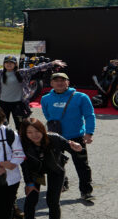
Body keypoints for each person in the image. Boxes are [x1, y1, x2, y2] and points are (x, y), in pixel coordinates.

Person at [39, 72, 96, 205]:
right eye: (56, 80)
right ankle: (62, 183)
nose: (59, 83)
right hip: (56, 137)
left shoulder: (81, 97)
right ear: (51, 83)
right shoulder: (46, 98)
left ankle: (86, 191)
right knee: (57, 164)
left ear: (68, 82)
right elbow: (47, 115)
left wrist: (89, 133)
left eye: (62, 80)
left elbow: (89, 115)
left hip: (76, 137)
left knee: (82, 165)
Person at [0, 56, 65, 131]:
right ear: (4, 64)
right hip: (3, 103)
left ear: (15, 64)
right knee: (2, 125)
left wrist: (52, 63)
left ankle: (21, 143)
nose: (9, 64)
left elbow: (37, 68)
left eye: (11, 63)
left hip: (18, 104)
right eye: (7, 63)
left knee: (20, 126)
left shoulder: (22, 72)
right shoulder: (0, 72)